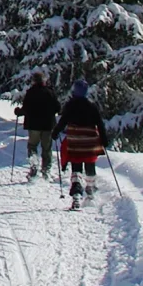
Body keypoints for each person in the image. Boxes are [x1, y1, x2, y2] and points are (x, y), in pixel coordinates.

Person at [52, 79, 108, 208]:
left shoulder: (70, 105)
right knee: (90, 163)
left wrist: (55, 132)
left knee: (76, 166)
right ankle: (90, 189)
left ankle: (76, 195)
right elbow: (99, 123)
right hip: (90, 140)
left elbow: (63, 121)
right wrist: (104, 139)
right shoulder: (92, 106)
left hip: (75, 140)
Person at [14, 70, 60, 181]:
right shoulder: (50, 92)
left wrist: (18, 112)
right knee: (47, 148)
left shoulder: (31, 92)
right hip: (47, 125)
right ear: (44, 80)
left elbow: (25, 109)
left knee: (32, 146)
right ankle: (46, 170)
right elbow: (58, 108)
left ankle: (33, 167)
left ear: (34, 81)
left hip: (33, 125)